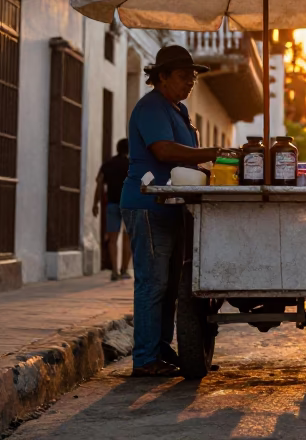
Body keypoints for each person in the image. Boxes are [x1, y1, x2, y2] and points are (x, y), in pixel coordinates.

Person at [122, 45, 221, 377]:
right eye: (183, 77)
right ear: (161, 77)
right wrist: (211, 153)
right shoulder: (151, 107)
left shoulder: (177, 109)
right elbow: (163, 151)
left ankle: (160, 351)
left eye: (192, 78)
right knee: (153, 283)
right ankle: (145, 359)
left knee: (171, 284)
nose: (189, 83)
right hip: (148, 204)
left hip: (172, 206)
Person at [92, 138, 132, 281]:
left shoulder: (107, 164)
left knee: (112, 239)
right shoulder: (131, 165)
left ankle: (114, 271)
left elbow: (100, 183)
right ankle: (124, 269)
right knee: (128, 238)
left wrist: (95, 204)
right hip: (129, 205)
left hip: (112, 204)